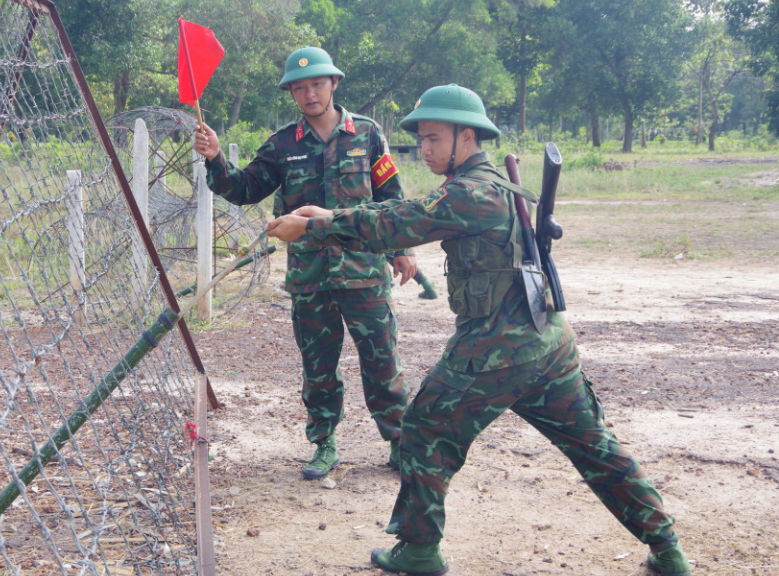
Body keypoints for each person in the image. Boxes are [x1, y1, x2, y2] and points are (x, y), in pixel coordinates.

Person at [265, 84, 691, 576]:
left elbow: (400, 223)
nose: (423, 149)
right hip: (547, 343)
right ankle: (668, 548)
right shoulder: (489, 184)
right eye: (420, 139)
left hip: (499, 347)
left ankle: (420, 551)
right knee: (593, 444)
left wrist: (316, 227)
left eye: (432, 139)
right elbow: (398, 214)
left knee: (423, 427)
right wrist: (329, 215)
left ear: (465, 137)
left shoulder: (473, 192)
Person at [192, 46, 415, 480]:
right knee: (318, 368)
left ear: (334, 83)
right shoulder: (281, 145)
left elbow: (391, 199)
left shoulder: (367, 135)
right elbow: (243, 188)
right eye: (299, 87)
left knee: (381, 360)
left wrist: (401, 249)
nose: (309, 93)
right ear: (291, 93)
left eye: (316, 83)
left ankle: (398, 440)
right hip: (311, 278)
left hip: (363, 273)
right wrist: (215, 157)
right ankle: (324, 443)